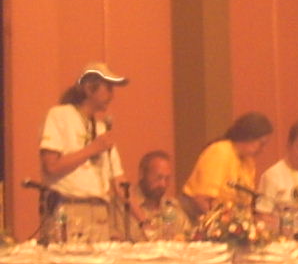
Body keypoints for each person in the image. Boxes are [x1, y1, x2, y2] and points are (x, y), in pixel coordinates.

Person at [39, 61, 128, 243]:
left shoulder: (101, 128)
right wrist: (91, 149)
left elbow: (119, 182)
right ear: (89, 89)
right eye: (108, 88)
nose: (112, 95)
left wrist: (144, 221)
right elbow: (51, 166)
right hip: (70, 208)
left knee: (101, 262)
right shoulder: (60, 115)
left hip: (100, 211)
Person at [180, 112, 273, 224]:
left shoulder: (248, 162)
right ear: (248, 137)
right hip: (198, 216)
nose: (263, 150)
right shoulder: (220, 151)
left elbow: (246, 202)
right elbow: (202, 199)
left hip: (227, 220)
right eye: (261, 144)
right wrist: (224, 225)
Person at [127, 150, 192, 242]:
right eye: (158, 178)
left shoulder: (172, 208)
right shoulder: (125, 207)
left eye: (167, 179)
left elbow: (188, 238)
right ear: (142, 174)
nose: (163, 184)